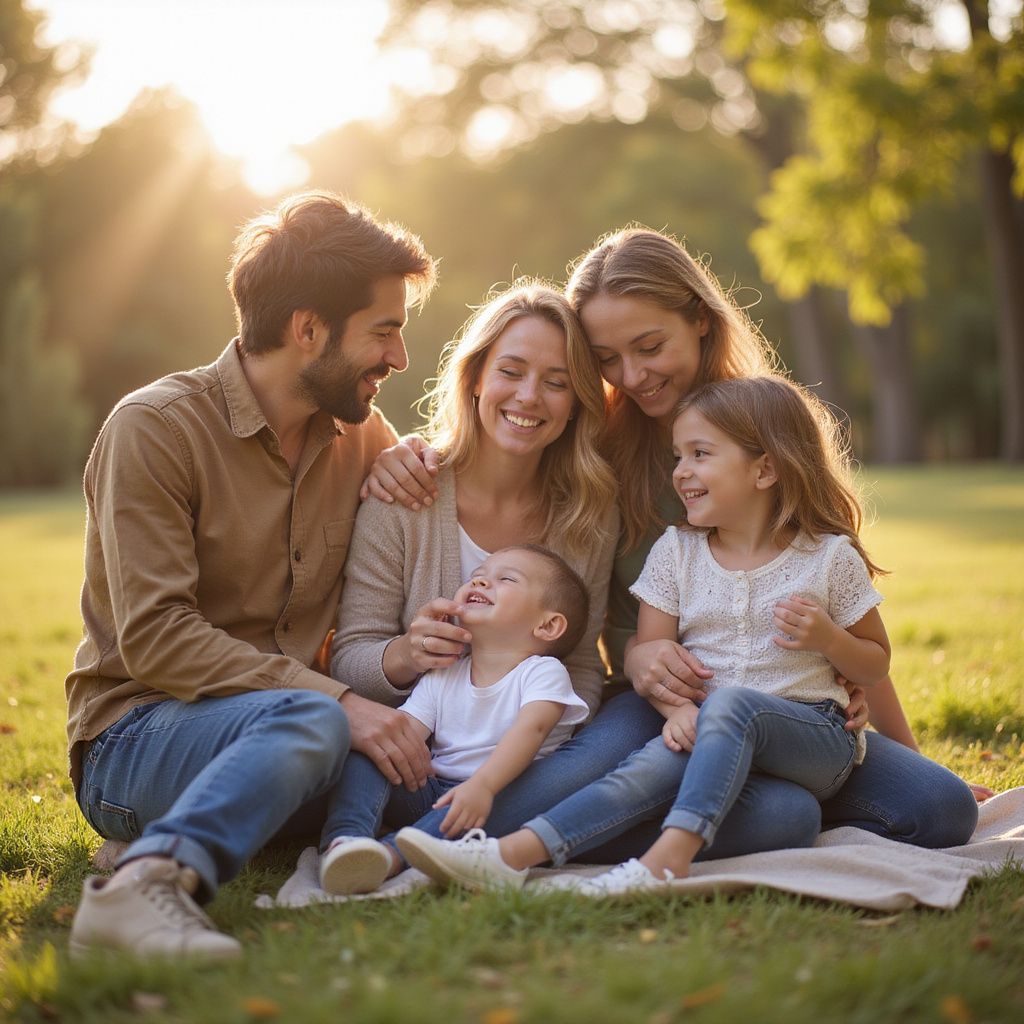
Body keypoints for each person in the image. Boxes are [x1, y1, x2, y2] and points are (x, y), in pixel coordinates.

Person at [365, 227, 981, 870]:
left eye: (650, 346)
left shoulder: (768, 429)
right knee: (775, 813)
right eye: (606, 358)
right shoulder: (599, 447)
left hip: (783, 710)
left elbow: (848, 616)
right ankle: (444, 828)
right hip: (654, 705)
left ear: (701, 323)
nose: (631, 376)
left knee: (938, 810)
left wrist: (897, 739)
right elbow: (499, 435)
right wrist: (404, 453)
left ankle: (668, 810)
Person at [65, 191, 437, 960]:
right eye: (384, 332)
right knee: (319, 724)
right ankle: (148, 882)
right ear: (307, 329)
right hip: (138, 735)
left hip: (306, 736)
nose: (398, 360)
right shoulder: (156, 429)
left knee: (449, 774)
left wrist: (421, 456)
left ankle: (215, 823)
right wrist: (339, 701)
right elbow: (158, 641)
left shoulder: (362, 434)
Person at [397, 374, 897, 891]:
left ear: (764, 469)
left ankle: (665, 861)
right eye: (678, 456)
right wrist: (676, 712)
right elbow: (653, 659)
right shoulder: (676, 552)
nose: (681, 473)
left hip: (813, 736)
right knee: (641, 773)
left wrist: (830, 642)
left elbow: (875, 663)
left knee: (728, 709)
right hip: (706, 727)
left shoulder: (829, 558)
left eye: (699, 454)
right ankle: (511, 855)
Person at [320, 544, 590, 895]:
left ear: (548, 625)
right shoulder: (443, 675)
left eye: (505, 579)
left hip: (502, 798)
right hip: (432, 794)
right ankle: (347, 841)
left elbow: (531, 731)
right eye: (477, 577)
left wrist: (483, 786)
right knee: (375, 745)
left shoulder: (543, 673)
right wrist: (385, 751)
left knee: (509, 797)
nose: (480, 583)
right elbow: (405, 735)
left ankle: (392, 853)